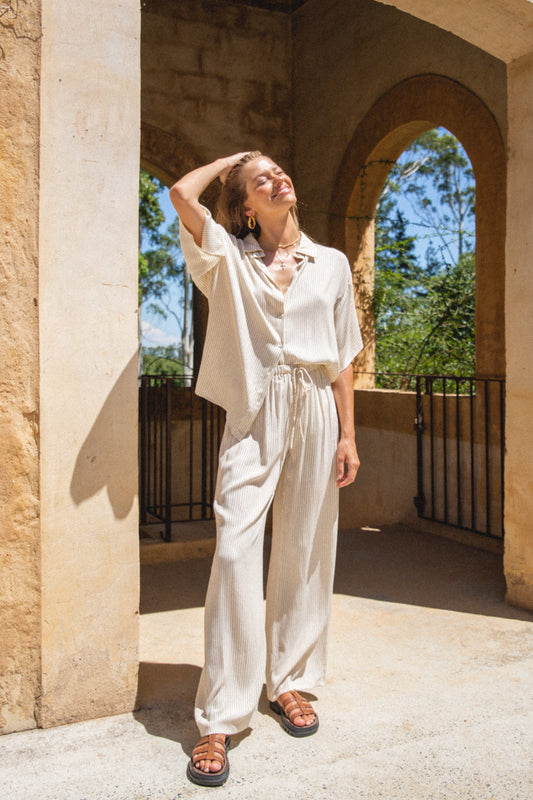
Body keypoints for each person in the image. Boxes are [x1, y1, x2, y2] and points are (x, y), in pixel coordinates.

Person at [169, 151, 363, 787]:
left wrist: (348, 436)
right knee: (234, 551)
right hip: (255, 410)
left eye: (281, 171)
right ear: (246, 205)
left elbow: (342, 357)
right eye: (262, 179)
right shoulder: (229, 258)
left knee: (305, 547)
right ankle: (221, 715)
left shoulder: (331, 264)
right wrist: (236, 160)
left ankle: (289, 681)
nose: (279, 178)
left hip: (317, 404)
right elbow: (181, 193)